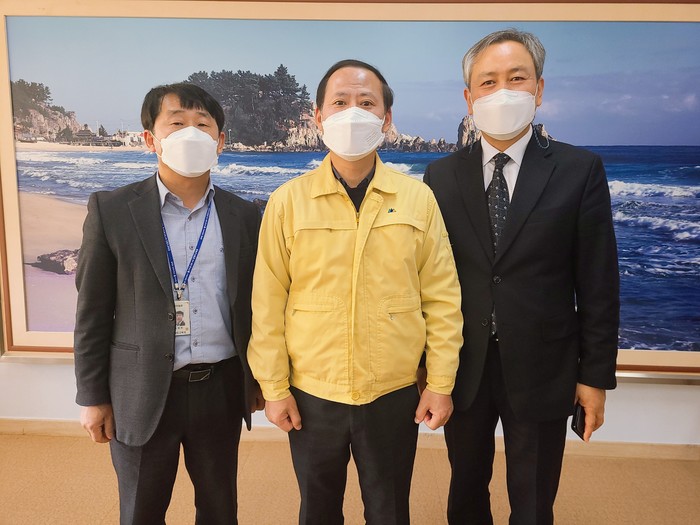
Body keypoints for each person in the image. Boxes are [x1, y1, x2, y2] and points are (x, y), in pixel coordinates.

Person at [247, 59, 463, 524]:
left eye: (367, 103)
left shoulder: (417, 199)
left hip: (392, 391)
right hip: (312, 391)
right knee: (318, 510)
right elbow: (267, 303)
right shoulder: (287, 201)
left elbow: (442, 298)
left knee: (389, 511)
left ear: (386, 118)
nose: (353, 113)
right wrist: (274, 388)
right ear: (318, 116)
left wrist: (440, 383)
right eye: (340, 102)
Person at [423, 29, 619, 525]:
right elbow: (427, 279)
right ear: (469, 97)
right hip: (463, 365)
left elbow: (598, 283)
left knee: (533, 502)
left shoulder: (579, 169)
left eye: (517, 78)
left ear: (539, 88)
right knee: (465, 492)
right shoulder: (439, 176)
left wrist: (594, 377)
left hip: (544, 364)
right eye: (488, 82)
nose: (503, 91)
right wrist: (425, 365)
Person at [74, 82, 263, 524]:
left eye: (202, 124)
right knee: (141, 511)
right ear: (150, 138)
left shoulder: (244, 215)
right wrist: (92, 396)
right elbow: (92, 313)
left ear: (220, 141)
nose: (190, 133)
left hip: (220, 387)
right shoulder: (112, 210)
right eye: (176, 124)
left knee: (219, 509)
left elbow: (254, 307)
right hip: (139, 390)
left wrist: (258, 380)